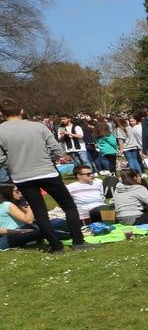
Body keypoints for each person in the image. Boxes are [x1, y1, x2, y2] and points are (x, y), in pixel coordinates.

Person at [0, 99, 92, 252]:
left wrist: (12, 162)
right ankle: (78, 241)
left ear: (2, 113)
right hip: (46, 171)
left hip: (22, 176)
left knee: (40, 212)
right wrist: (48, 158)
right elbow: (56, 149)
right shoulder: (38, 126)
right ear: (21, 110)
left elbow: (1, 159)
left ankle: (56, 246)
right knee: (69, 207)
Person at [0, 183, 72, 249]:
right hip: (8, 237)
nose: (20, 193)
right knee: (45, 230)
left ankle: (74, 229)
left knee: (56, 222)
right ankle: (72, 234)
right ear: (8, 193)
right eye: (17, 191)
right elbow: (28, 220)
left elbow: (33, 217)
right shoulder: (7, 205)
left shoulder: (13, 204)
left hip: (22, 230)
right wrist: (30, 203)